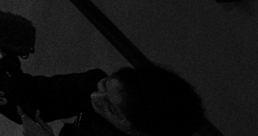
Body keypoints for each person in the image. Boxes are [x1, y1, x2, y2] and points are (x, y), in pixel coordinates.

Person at [18, 64, 205, 136]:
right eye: (104, 85)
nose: (95, 97)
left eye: (110, 107)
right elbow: (35, 93)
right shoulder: (94, 87)